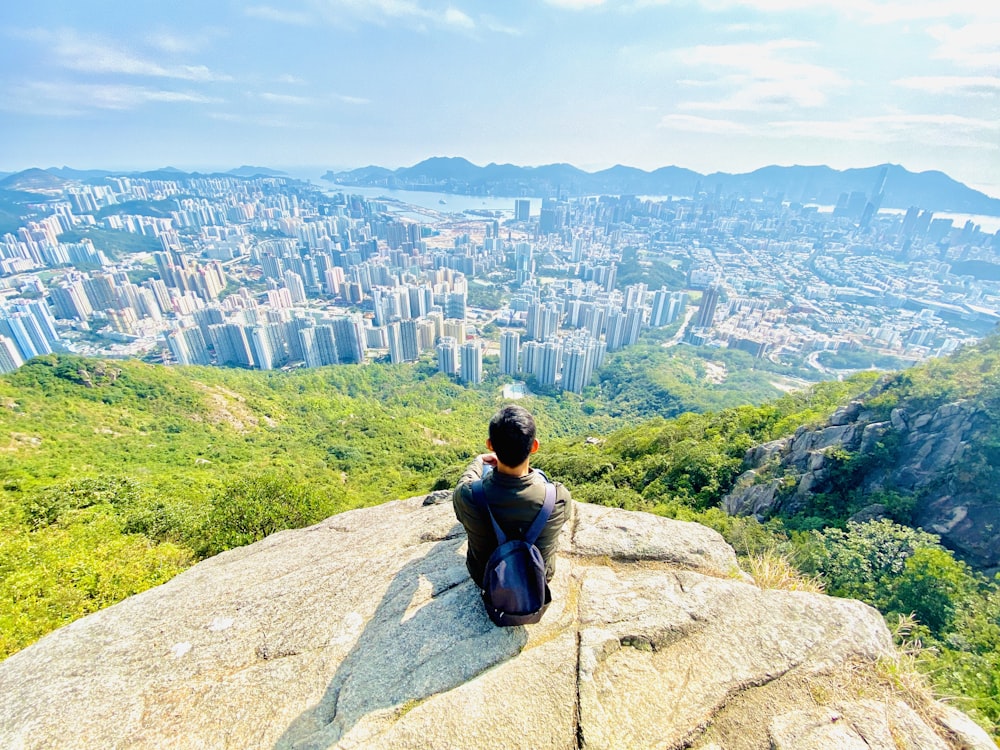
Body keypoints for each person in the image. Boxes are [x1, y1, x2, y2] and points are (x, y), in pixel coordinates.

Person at [452, 404, 573, 589]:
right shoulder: (558, 497)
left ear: (490, 445)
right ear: (534, 446)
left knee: (486, 475)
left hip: (485, 577)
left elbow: (464, 484)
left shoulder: (466, 496)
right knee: (539, 475)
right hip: (538, 579)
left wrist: (478, 462)